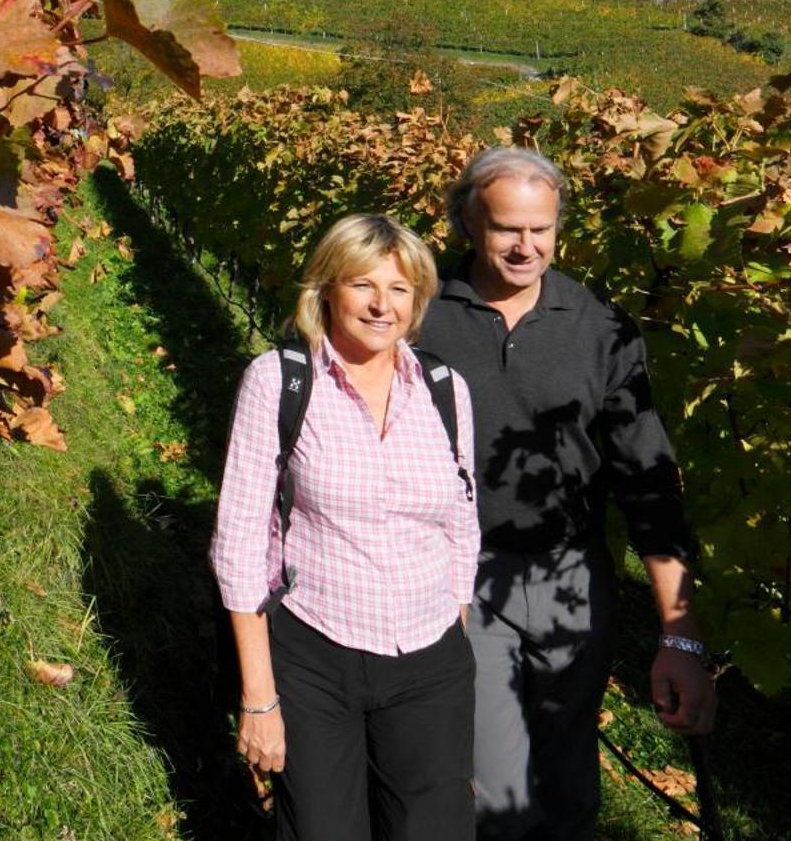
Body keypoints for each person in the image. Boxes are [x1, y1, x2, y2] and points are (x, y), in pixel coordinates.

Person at [416, 147, 716, 840]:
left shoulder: (600, 328)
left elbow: (647, 482)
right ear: (467, 221)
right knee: (495, 789)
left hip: (571, 577)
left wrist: (682, 634)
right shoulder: (421, 312)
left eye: (541, 229)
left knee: (569, 783)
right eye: (506, 229)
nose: (526, 246)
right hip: (460, 577)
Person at [212, 213, 482, 841]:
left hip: (430, 658)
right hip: (315, 655)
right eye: (363, 284)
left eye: (400, 289)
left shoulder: (445, 389)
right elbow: (239, 543)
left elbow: (463, 523)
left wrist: (454, 633)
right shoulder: (280, 381)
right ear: (327, 289)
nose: (382, 305)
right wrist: (259, 697)